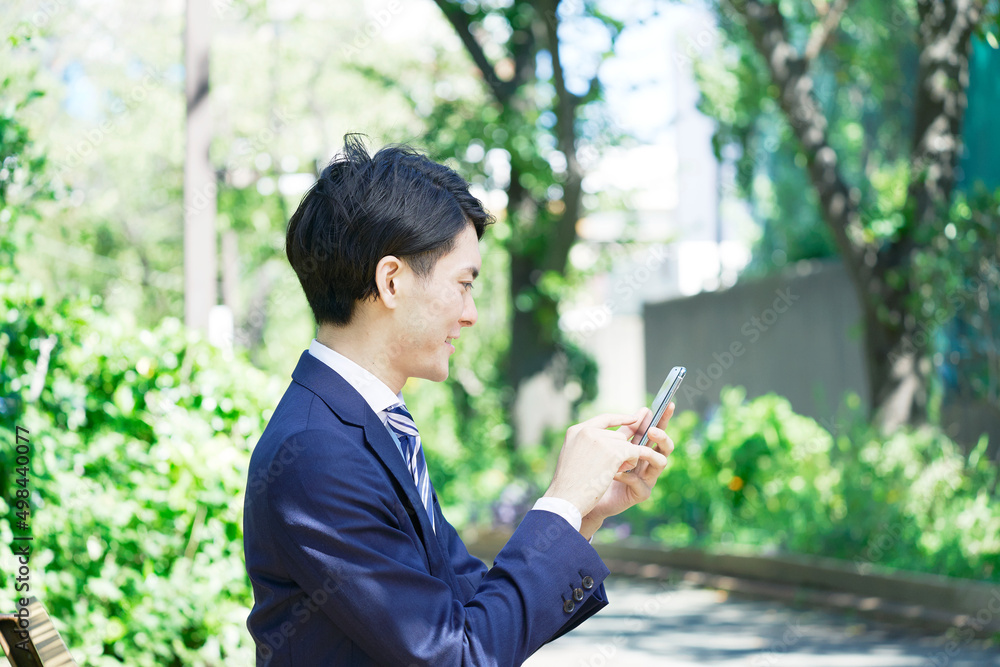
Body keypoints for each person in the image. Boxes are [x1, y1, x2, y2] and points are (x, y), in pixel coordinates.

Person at [243, 135, 676, 666]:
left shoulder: (370, 426)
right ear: (392, 281)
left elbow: (469, 607)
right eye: (463, 283)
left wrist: (582, 513)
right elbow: (456, 655)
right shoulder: (317, 452)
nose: (470, 314)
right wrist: (560, 503)